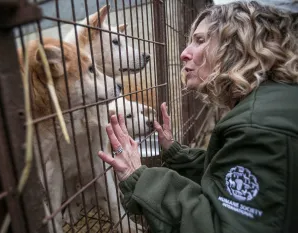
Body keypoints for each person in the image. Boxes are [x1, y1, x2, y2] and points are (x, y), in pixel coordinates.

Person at [98, 1, 298, 233]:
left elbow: (218, 226)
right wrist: (176, 152)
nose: (184, 53)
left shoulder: (257, 126)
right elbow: (226, 176)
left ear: (236, 46)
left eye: (200, 40)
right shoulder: (272, 103)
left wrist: (138, 177)